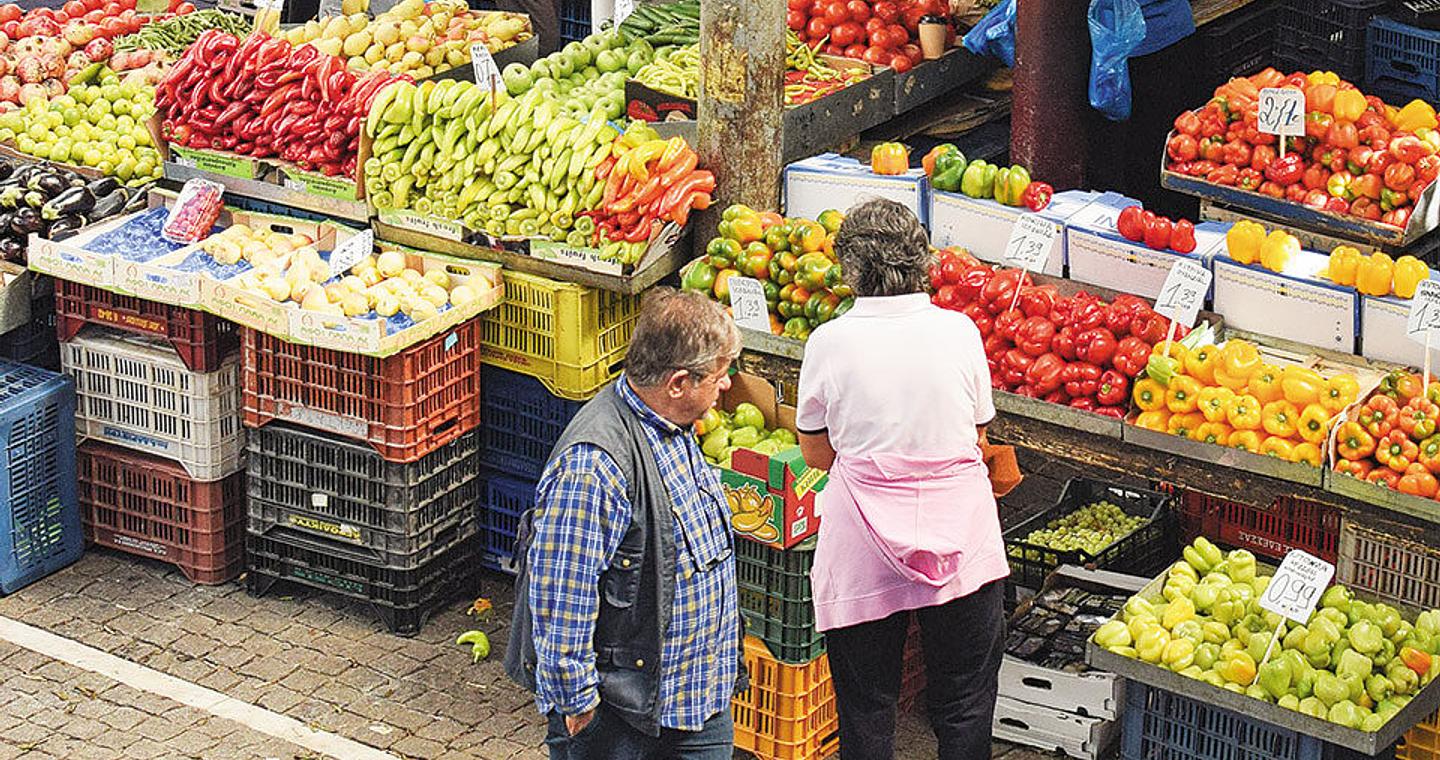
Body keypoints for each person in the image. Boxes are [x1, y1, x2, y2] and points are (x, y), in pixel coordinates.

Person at [795, 198, 1008, 760]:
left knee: (866, 708)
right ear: (923, 261)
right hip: (962, 536)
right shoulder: (959, 332)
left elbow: (815, 451)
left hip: (863, 537)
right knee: (964, 702)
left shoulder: (828, 342)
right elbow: (980, 430)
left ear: (849, 269)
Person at [505, 287, 747, 760]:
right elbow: (561, 593)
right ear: (678, 382)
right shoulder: (595, 465)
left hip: (694, 702)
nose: (726, 386)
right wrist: (580, 709)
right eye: (719, 375)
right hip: (625, 715)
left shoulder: (671, 425)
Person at [1087, 0, 1202, 219]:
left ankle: (1156, 227)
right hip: (1153, 35)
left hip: (1148, 42)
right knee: (1156, 149)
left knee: (1147, 153)